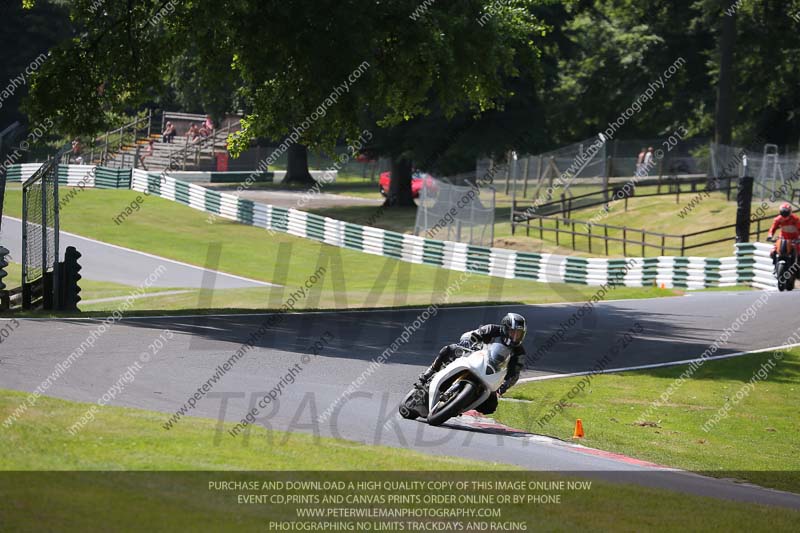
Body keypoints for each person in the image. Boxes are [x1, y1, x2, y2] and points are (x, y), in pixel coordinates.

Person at [415, 313, 527, 415]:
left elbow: (514, 374)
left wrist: (502, 388)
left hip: (491, 373)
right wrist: (468, 343)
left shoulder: (519, 353)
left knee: (490, 407)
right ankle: (430, 372)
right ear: (505, 328)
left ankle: (461, 404)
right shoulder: (491, 329)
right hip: (474, 357)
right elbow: (474, 336)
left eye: (519, 334)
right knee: (449, 349)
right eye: (513, 332)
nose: (515, 337)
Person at [767, 202, 800, 273]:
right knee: (772, 252)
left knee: (799, 251)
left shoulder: (795, 219)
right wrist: (770, 236)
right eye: (783, 213)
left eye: (786, 213)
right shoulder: (778, 219)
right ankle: (775, 267)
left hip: (794, 239)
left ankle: (796, 269)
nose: (784, 216)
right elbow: (773, 228)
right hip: (782, 238)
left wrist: (798, 238)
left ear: (790, 212)